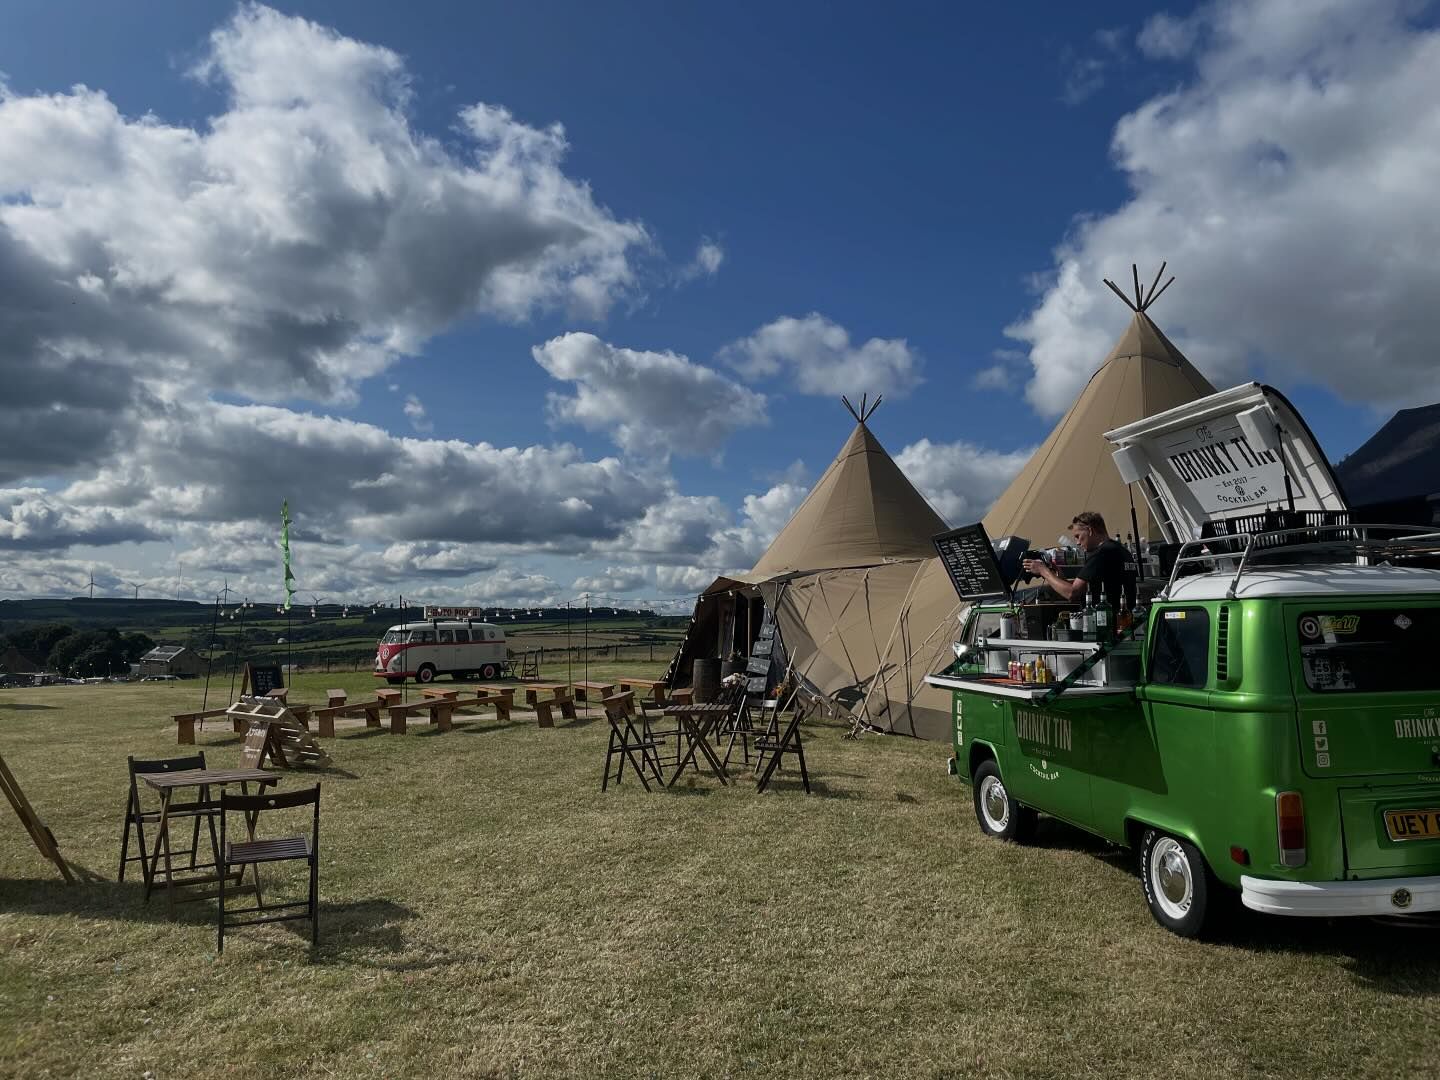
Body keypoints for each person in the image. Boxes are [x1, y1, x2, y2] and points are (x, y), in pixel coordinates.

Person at [1022, 511, 1135, 609]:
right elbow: (1085, 588)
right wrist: (1058, 578)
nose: (1077, 542)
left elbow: (1072, 593)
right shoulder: (1123, 552)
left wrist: (1043, 571)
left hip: (1107, 624)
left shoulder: (1101, 553)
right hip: (1126, 622)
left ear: (1090, 530)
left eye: (1078, 536)